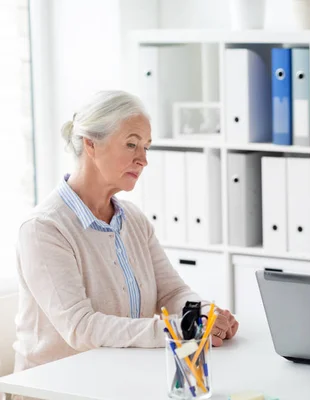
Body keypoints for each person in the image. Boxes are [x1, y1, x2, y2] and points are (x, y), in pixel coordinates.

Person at [13, 90, 238, 372]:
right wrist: (179, 329)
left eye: (146, 147)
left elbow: (172, 293)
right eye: (132, 144)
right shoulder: (44, 229)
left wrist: (204, 313)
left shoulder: (133, 219)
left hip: (122, 377)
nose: (143, 159)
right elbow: (81, 328)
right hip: (56, 387)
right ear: (91, 145)